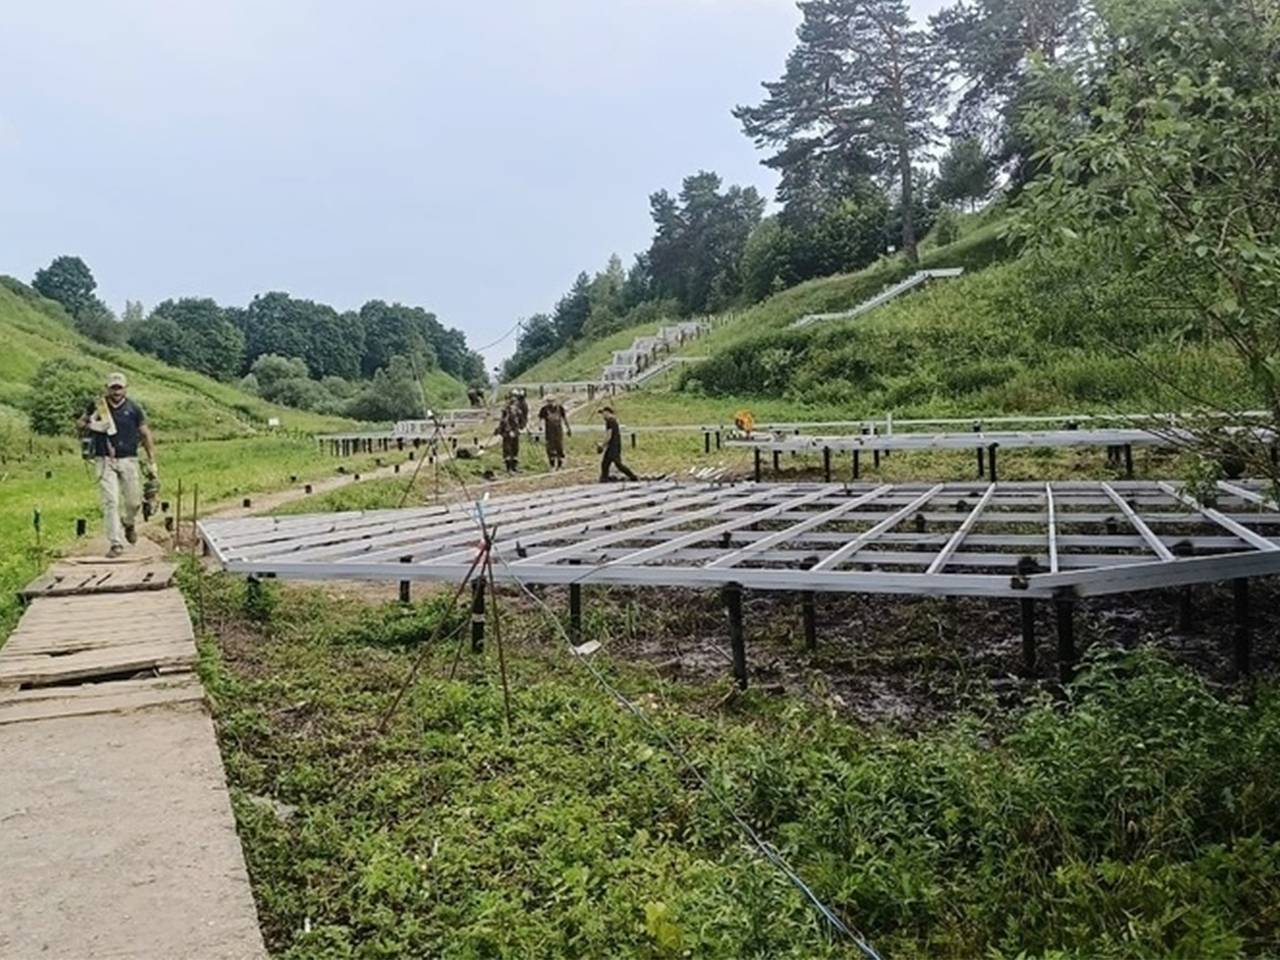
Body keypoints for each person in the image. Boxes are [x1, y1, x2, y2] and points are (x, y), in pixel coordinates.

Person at [77, 372, 157, 557]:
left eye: (119, 387)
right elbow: (80, 423)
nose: (116, 391)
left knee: (134, 502)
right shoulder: (98, 406)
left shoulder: (134, 409)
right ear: (107, 388)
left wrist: (151, 460)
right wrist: (91, 424)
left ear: (125, 388)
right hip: (104, 459)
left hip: (129, 459)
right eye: (113, 387)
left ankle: (129, 523)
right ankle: (115, 543)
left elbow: (145, 434)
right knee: (110, 501)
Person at [598, 405, 637, 482]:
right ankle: (604, 478)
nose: (602, 416)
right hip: (614, 445)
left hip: (613, 446)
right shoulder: (613, 421)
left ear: (607, 412)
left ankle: (633, 476)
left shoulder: (610, 421)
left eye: (603, 413)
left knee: (618, 464)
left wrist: (602, 446)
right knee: (605, 463)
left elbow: (609, 435)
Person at [538, 396, 571, 469]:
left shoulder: (560, 408)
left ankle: (560, 463)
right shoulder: (544, 409)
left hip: (558, 430)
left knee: (559, 445)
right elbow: (540, 418)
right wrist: (540, 426)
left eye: (552, 401)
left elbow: (564, 418)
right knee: (550, 447)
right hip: (549, 431)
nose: (550, 403)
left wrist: (568, 428)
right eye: (548, 401)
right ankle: (552, 464)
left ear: (555, 401)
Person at [495, 401, 522, 474]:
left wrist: (517, 430)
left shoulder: (517, 413)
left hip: (515, 433)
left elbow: (518, 422)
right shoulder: (506, 414)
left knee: (515, 450)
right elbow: (504, 422)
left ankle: (514, 467)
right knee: (508, 450)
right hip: (508, 434)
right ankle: (509, 468)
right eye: (514, 405)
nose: (515, 407)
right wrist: (509, 431)